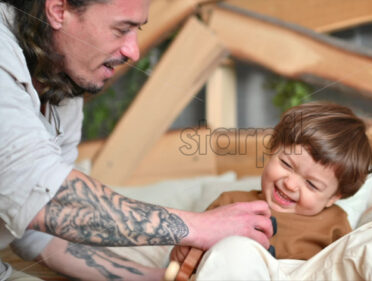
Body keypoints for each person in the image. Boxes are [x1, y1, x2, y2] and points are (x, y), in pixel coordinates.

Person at [0, 0, 272, 280]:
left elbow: (35, 228)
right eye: (121, 30)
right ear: (58, 11)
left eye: (137, 30)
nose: (134, 51)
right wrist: (201, 227)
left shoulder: (62, 77)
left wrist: (161, 277)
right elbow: (50, 202)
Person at [170, 101, 372, 264]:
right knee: (235, 249)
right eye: (286, 164)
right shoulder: (231, 203)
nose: (290, 184)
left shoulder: (335, 222)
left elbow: (346, 266)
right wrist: (181, 253)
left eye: (312, 185)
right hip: (238, 269)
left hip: (301, 274)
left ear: (333, 197)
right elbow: (190, 260)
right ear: (272, 150)